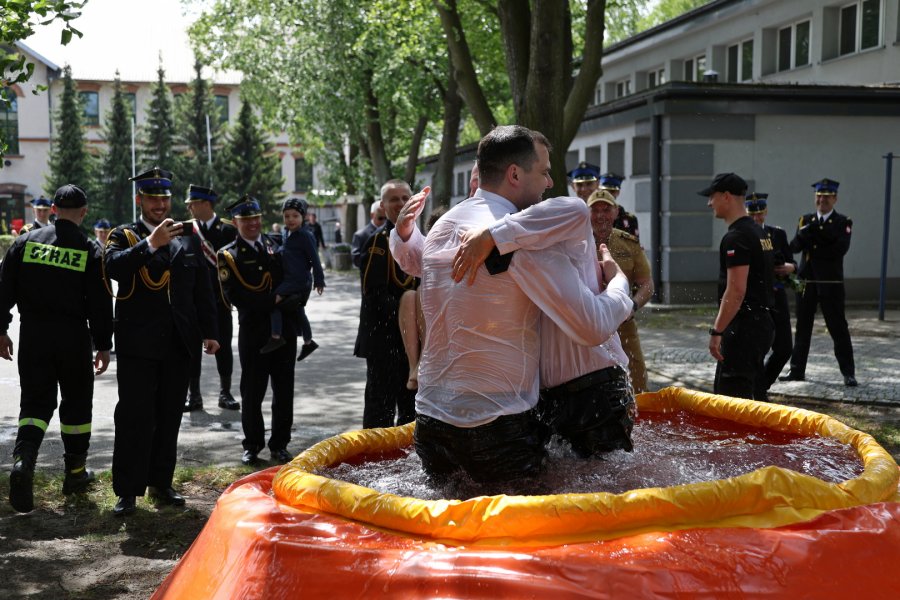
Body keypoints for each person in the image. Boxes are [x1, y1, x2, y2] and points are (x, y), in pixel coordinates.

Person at [390, 125, 633, 484]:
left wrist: (402, 236)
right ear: (515, 174)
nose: (549, 184)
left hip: (430, 423)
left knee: (438, 533)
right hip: (495, 425)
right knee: (531, 534)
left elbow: (415, 263)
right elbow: (592, 326)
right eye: (545, 172)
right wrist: (620, 285)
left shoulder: (444, 225)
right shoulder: (520, 242)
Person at [104, 167, 220, 516]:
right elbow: (114, 269)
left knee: (169, 416)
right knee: (134, 417)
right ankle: (127, 490)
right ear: (140, 199)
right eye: (153, 198)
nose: (160, 204)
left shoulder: (188, 236)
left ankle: (161, 482)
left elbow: (203, 289)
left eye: (165, 198)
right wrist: (150, 244)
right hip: (137, 343)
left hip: (177, 343)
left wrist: (211, 331)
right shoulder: (124, 235)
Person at [1, 184, 113, 513]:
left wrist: (1, 330)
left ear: (52, 208)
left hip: (33, 336)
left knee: (35, 404)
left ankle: (23, 462)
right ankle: (75, 474)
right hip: (73, 338)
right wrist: (104, 343)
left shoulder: (25, 242)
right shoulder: (89, 248)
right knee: (76, 406)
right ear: (83, 213)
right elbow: (100, 302)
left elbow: (4, 288)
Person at [217, 195, 299, 466]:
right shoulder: (228, 255)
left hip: (285, 331)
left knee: (284, 391)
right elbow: (235, 296)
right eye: (245, 219)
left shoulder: (277, 245)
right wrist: (273, 301)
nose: (252, 223)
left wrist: (289, 301)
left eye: (256, 218)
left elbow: (296, 280)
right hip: (254, 333)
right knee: (252, 391)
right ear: (236, 222)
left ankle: (280, 444)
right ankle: (252, 444)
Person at [699, 173, 775, 401]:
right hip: (761, 324)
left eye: (712, 197)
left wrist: (717, 331)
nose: (709, 203)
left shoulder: (736, 237)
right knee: (750, 398)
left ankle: (736, 440)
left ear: (726, 196)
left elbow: (736, 290)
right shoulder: (759, 232)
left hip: (744, 329)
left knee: (730, 401)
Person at [354, 180, 419, 429]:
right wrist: (408, 318)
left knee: (411, 409)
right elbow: (374, 294)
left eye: (405, 198)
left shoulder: (419, 240)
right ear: (382, 206)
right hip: (384, 340)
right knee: (380, 409)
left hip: (411, 341)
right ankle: (373, 463)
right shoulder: (378, 243)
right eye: (394, 199)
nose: (401, 203)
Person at [780, 178, 857, 387]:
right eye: (819, 196)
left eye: (826, 197)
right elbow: (794, 247)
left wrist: (816, 237)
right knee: (803, 327)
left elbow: (839, 249)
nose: (822, 200)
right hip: (806, 282)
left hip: (830, 281)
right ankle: (797, 370)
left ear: (835, 199)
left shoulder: (843, 222)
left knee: (838, 327)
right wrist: (805, 235)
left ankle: (848, 373)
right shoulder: (805, 220)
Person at [587, 189, 654, 393]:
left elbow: (647, 284)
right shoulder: (574, 242)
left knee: (637, 384)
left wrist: (633, 305)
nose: (600, 215)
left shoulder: (628, 243)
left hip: (624, 327)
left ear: (616, 212)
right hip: (586, 328)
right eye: (595, 210)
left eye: (606, 209)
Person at [182, 184, 240, 412]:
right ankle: (193, 395)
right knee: (191, 349)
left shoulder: (228, 230)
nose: (189, 207)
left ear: (206, 204)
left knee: (223, 345)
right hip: (193, 300)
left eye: (192, 203)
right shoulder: (187, 230)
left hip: (219, 300)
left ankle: (225, 393)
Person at [260, 197, 325, 360]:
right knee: (298, 310)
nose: (290, 219)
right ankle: (309, 342)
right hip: (288, 278)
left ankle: (276, 337)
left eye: (295, 216)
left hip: (298, 280)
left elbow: (315, 259)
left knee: (273, 302)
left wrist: (319, 280)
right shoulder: (285, 232)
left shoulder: (305, 235)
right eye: (287, 216)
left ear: (303, 217)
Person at [745, 193, 796, 396]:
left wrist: (791, 267)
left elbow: (792, 261)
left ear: (766, 212)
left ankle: (761, 384)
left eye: (760, 214)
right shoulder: (745, 236)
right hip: (756, 298)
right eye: (753, 214)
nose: (757, 218)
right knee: (758, 348)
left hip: (777, 296)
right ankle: (758, 393)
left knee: (784, 347)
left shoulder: (777, 234)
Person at [398, 205, 446, 390]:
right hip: (421, 310)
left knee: (419, 292)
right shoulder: (422, 249)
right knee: (412, 295)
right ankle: (415, 365)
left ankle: (422, 361)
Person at [599, 173, 640, 240]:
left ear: (618, 192)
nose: (609, 195)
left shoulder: (630, 219)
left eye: (612, 191)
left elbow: (634, 244)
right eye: (605, 191)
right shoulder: (594, 215)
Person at [351, 201, 386, 268]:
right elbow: (356, 259)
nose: (384, 222)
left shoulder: (391, 231)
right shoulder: (360, 235)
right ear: (372, 215)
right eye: (380, 218)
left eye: (386, 218)